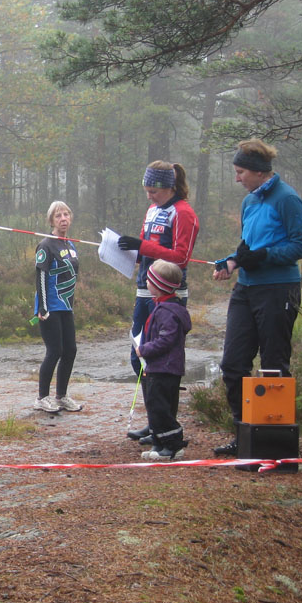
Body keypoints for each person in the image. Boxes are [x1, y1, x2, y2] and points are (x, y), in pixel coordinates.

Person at [212, 138, 302, 456]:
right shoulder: (249, 202)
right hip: (246, 289)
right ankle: (244, 434)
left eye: (240, 172)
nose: (237, 178)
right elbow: (247, 248)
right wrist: (231, 261)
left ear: (258, 172)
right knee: (233, 365)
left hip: (278, 289)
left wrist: (264, 256)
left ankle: (273, 444)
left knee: (273, 366)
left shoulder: (287, 198)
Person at [117, 161, 199, 441]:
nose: (149, 196)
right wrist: (127, 250)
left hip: (169, 294)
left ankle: (166, 426)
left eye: (153, 191)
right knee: (138, 357)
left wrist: (142, 246)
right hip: (145, 289)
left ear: (169, 187)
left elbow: (181, 256)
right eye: (147, 190)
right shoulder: (153, 209)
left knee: (162, 361)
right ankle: (155, 422)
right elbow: (144, 246)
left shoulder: (184, 212)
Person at [135, 260, 192, 460]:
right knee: (155, 406)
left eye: (149, 279)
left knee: (161, 407)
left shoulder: (168, 311)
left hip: (166, 368)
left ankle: (174, 445)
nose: (146, 282)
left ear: (159, 285)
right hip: (158, 367)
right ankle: (159, 446)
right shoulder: (160, 306)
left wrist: (144, 350)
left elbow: (166, 340)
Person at [33, 201, 83, 413]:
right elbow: (41, 276)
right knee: (55, 350)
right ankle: (42, 398)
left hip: (65, 307)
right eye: (58, 216)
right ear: (51, 220)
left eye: (66, 214)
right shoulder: (46, 245)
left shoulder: (70, 245)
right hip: (49, 306)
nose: (63, 219)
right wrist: (43, 307)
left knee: (70, 350)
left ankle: (61, 395)